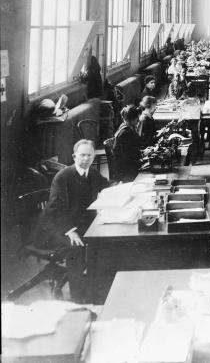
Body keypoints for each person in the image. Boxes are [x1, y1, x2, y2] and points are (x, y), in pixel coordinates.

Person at [33, 140, 109, 302]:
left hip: (81, 223)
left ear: (93, 156)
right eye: (82, 155)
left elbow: (108, 187)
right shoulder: (63, 177)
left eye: (89, 155)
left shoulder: (93, 174)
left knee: (102, 240)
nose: (86, 159)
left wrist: (121, 187)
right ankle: (77, 298)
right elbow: (54, 210)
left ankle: (95, 292)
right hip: (57, 227)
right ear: (74, 156)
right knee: (75, 247)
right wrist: (71, 231)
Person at [112, 105, 143, 182]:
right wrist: (143, 154)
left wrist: (143, 152)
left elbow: (132, 150)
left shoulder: (127, 127)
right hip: (124, 170)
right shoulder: (125, 133)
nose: (138, 121)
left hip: (128, 164)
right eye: (137, 119)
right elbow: (127, 156)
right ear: (131, 119)